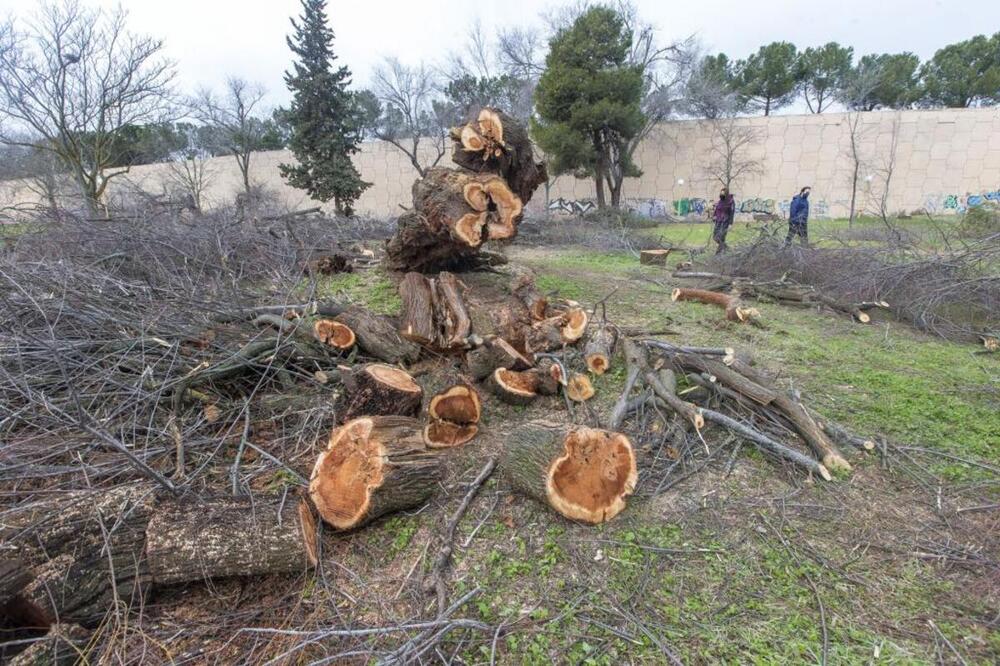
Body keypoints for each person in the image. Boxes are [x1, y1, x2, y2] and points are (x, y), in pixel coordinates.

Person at [712, 187, 736, 254]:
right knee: (715, 237)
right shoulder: (720, 201)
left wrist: (730, 224)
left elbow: (732, 213)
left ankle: (718, 253)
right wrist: (714, 216)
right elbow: (717, 209)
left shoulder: (731, 202)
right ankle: (726, 248)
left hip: (725, 221)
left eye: (723, 193)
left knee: (721, 237)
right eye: (721, 193)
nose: (721, 194)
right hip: (718, 221)